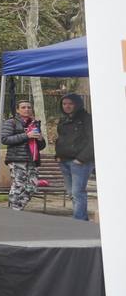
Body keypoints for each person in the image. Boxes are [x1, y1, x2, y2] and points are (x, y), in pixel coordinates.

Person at [54, 93, 94, 221]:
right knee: (72, 193)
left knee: (78, 193)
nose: (67, 106)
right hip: (64, 161)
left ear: (77, 104)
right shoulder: (63, 120)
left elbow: (93, 140)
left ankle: (79, 220)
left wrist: (81, 159)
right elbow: (61, 139)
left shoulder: (87, 119)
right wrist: (58, 155)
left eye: (70, 103)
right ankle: (81, 218)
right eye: (64, 104)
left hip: (80, 162)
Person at [0, 99, 43, 211]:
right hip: (17, 158)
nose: (27, 110)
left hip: (32, 159)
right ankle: (14, 211)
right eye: (23, 107)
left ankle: (17, 208)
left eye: (29, 107)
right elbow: (5, 139)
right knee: (19, 185)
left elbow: (41, 146)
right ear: (17, 110)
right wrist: (26, 136)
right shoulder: (11, 122)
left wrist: (40, 139)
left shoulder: (35, 123)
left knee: (33, 186)